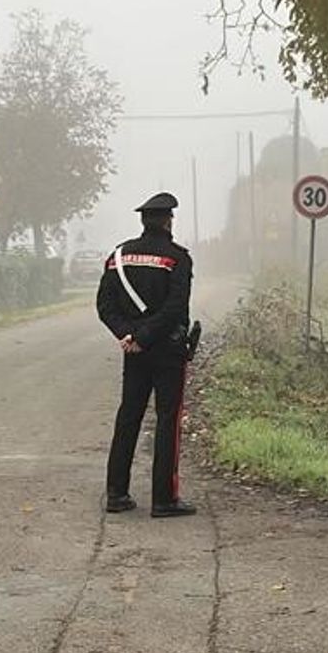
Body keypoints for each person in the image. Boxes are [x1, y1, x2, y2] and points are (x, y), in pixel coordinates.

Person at [97, 191, 198, 517]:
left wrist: (127, 335)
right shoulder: (177, 258)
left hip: (134, 352)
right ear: (168, 221)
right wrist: (145, 336)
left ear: (143, 221)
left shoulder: (119, 257)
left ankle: (116, 494)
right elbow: (174, 308)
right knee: (168, 421)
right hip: (167, 350)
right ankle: (164, 499)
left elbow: (105, 305)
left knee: (128, 417)